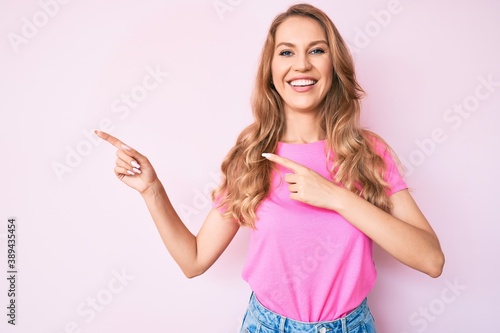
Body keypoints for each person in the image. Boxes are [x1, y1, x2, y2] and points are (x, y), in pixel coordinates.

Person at [96, 3, 444, 332]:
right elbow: (195, 260)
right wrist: (152, 190)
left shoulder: (368, 152)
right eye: (287, 52)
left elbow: (431, 260)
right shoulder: (252, 156)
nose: (302, 65)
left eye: (317, 50)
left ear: (334, 66)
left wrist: (337, 198)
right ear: (272, 72)